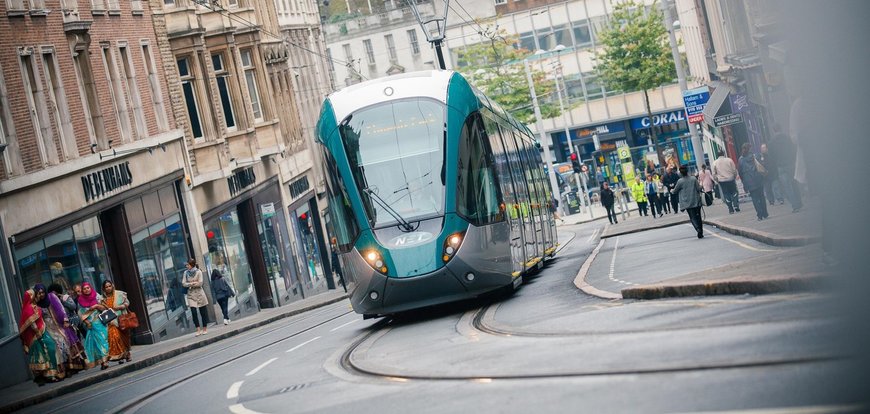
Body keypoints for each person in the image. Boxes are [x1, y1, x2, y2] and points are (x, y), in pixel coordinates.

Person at [19, 286, 63, 384]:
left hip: (42, 331)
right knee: (46, 352)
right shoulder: (28, 308)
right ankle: (49, 375)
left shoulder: (35, 306)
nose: (38, 295)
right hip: (38, 334)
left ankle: (53, 373)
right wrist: (38, 333)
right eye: (36, 294)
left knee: (51, 348)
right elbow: (32, 323)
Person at [45, 284, 86, 374]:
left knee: (75, 341)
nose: (54, 293)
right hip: (60, 325)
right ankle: (74, 365)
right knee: (69, 344)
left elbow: (73, 307)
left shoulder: (65, 297)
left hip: (71, 322)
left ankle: (80, 363)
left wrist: (63, 300)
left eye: (55, 292)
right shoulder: (50, 299)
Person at [768, 126, 803, 213]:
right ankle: (799, 202)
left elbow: (771, 157)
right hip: (790, 164)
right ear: (781, 129)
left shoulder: (771, 142)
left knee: (787, 187)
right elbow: (793, 149)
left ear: (774, 130)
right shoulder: (787, 138)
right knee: (794, 183)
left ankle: (795, 206)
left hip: (780, 166)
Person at [77, 282, 109, 370]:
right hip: (90, 325)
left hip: (100, 322)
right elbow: (80, 313)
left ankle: (105, 359)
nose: (86, 290)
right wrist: (87, 323)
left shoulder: (97, 296)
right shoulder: (80, 300)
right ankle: (103, 361)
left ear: (91, 288)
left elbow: (104, 308)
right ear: (82, 290)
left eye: (88, 288)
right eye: (84, 289)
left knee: (103, 340)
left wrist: (96, 305)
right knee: (95, 344)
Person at [101, 280, 132, 364]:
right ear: (104, 288)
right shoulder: (102, 299)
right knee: (116, 337)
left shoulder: (120, 294)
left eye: (109, 286)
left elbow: (127, 302)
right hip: (111, 321)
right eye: (106, 287)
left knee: (124, 338)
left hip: (121, 318)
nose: (108, 288)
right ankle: (120, 356)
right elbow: (102, 310)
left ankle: (127, 354)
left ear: (112, 286)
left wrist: (120, 307)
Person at [738, 143, 770, 221]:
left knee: (755, 199)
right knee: (761, 197)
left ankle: (759, 215)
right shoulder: (755, 156)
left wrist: (744, 183)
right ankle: (765, 213)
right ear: (750, 149)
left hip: (749, 181)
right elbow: (761, 165)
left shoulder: (740, 160)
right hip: (758, 179)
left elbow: (740, 173)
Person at [672, 165, 705, 239]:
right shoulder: (693, 179)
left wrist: (671, 190)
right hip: (696, 201)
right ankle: (701, 232)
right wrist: (701, 185)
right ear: (687, 171)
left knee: (692, 217)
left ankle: (697, 229)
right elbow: (698, 189)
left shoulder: (680, 181)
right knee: (698, 216)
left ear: (680, 173)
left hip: (687, 202)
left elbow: (675, 191)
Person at [183, 258, 210, 336]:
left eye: (187, 265)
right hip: (191, 295)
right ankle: (198, 329)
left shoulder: (199, 272)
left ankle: (204, 328)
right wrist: (193, 283)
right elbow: (183, 283)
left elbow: (200, 283)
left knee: (203, 312)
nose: (186, 266)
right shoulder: (185, 273)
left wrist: (190, 283)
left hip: (200, 294)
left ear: (191, 265)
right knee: (194, 312)